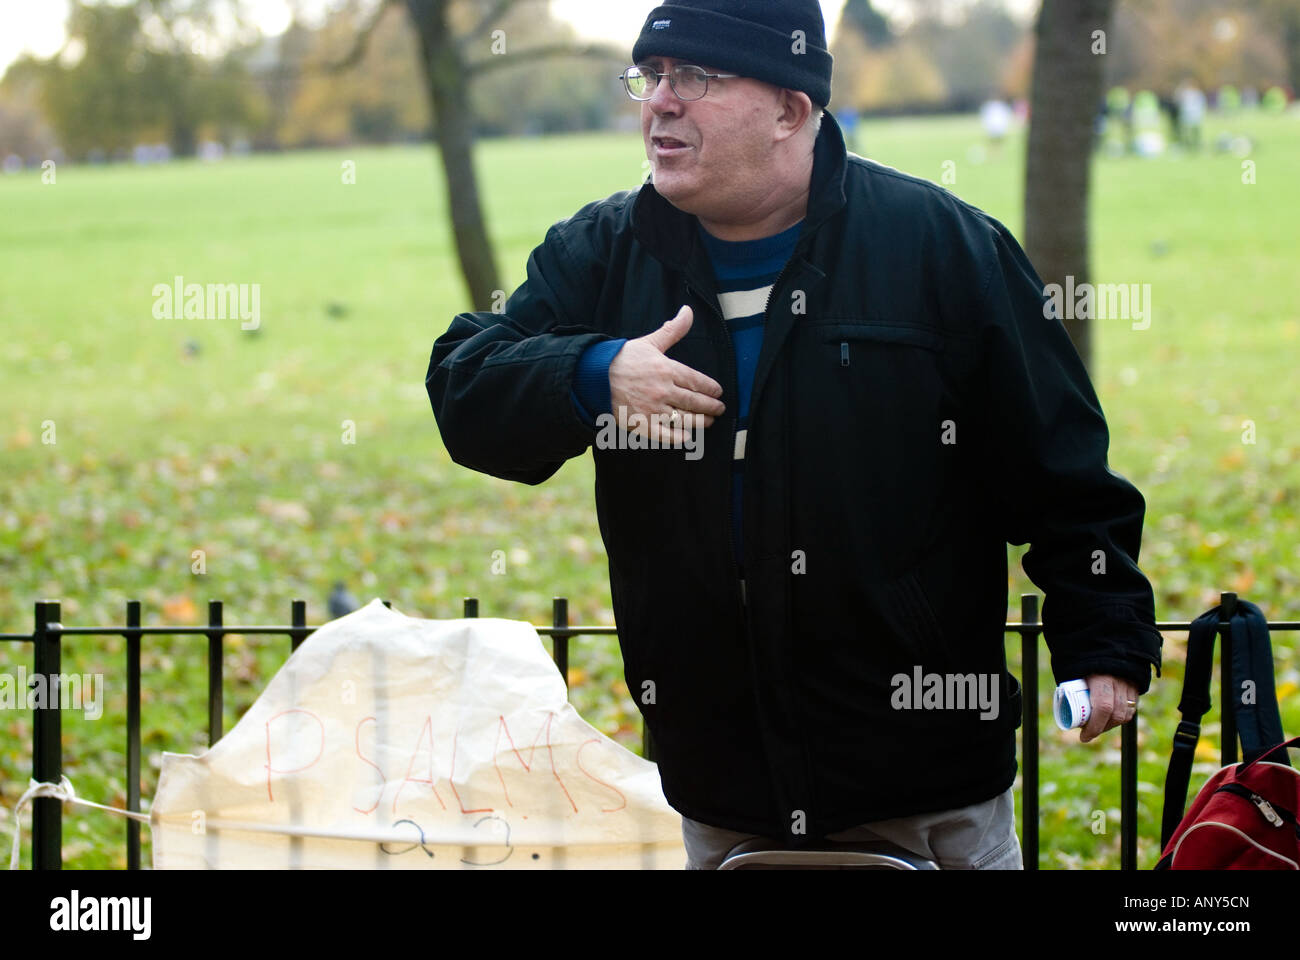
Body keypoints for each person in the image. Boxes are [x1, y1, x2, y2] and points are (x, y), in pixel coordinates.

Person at [426, 0, 1163, 870]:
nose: (660, 102)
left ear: (791, 109)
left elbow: (1061, 468)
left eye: (695, 77)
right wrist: (592, 374)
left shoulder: (940, 246)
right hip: (719, 787)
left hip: (928, 789)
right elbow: (463, 385)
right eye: (650, 76)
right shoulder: (605, 251)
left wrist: (1103, 640)